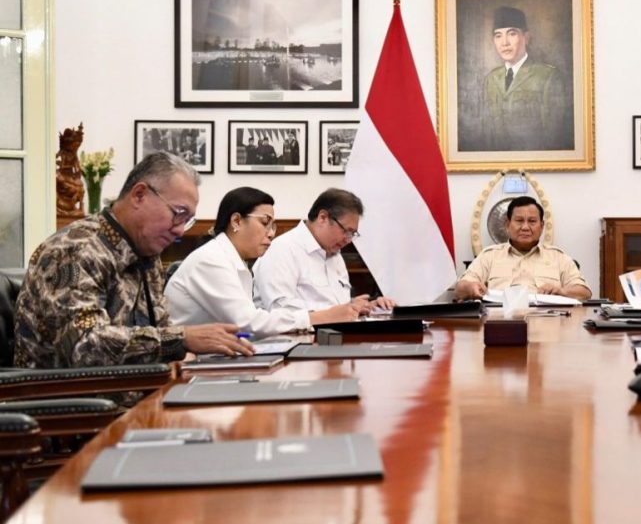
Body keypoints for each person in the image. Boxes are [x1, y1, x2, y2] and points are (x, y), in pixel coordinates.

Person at [15, 153, 254, 369]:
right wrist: (180, 340)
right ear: (139, 195)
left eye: (188, 220)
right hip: (76, 405)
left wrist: (185, 349)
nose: (181, 231)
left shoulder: (145, 252)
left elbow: (160, 328)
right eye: (178, 213)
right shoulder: (74, 251)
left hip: (134, 392)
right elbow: (86, 347)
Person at [166, 187, 367, 337]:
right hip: (186, 364)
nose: (271, 234)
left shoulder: (234, 260)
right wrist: (319, 317)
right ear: (236, 221)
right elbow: (248, 323)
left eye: (273, 226)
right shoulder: (210, 261)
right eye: (264, 223)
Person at [253, 188, 394, 316]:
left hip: (335, 336)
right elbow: (279, 308)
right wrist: (340, 309)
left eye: (352, 234)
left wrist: (367, 307)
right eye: (346, 231)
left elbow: (334, 303)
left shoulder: (334, 253)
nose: (348, 240)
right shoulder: (282, 250)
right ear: (323, 218)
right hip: (295, 340)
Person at [455, 196, 591, 300]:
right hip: (499, 323)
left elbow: (584, 292)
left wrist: (562, 291)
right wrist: (470, 287)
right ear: (507, 224)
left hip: (548, 325)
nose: (525, 227)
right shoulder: (489, 256)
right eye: (519, 221)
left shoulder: (559, 257)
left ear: (542, 226)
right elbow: (459, 289)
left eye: (532, 221)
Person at [480, 6, 572, 152]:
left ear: (526, 38)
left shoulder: (548, 77)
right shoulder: (491, 79)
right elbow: (486, 134)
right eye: (498, 35)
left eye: (512, 34)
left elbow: (554, 138)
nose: (504, 42)